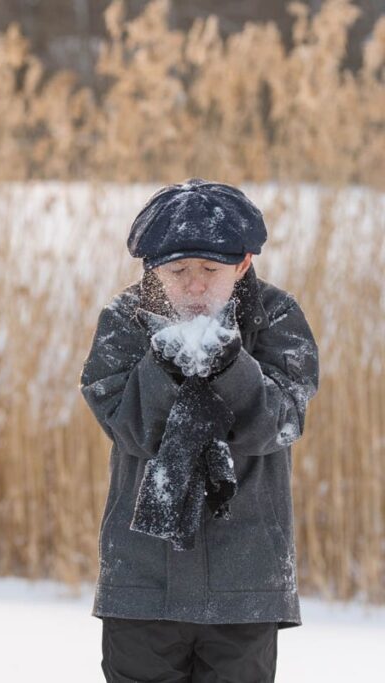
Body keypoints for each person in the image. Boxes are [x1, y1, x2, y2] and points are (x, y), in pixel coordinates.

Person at [80, 179, 319, 682]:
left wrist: (232, 364)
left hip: (245, 586)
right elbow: (127, 426)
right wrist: (165, 363)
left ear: (243, 263)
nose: (193, 285)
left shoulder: (277, 316)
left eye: (210, 270)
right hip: (142, 584)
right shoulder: (125, 319)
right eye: (177, 270)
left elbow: (281, 420)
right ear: (152, 270)